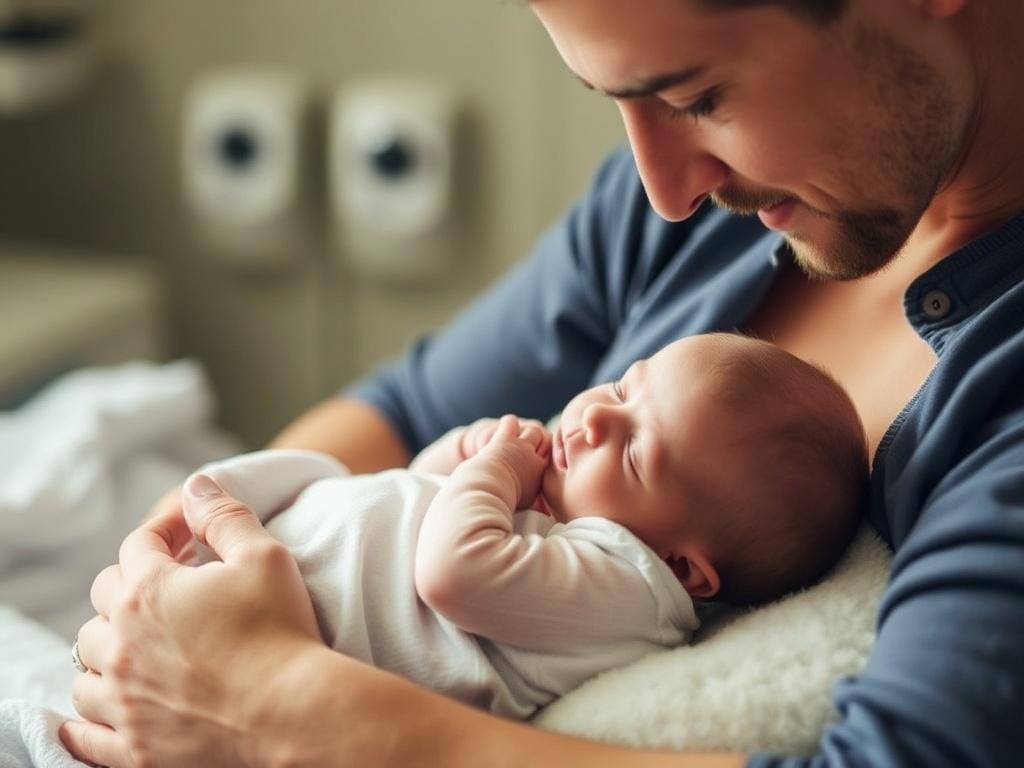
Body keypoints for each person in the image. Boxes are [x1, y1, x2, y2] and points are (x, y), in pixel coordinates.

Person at [62, 0, 1024, 766]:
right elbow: (400, 413)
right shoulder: (686, 226)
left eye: (698, 97)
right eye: (619, 101)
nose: (664, 188)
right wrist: (174, 571)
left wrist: (285, 713)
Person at [182, 334, 866, 720]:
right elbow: (424, 492)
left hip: (266, 652)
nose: (596, 416)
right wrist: (461, 454)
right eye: (625, 388)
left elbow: (452, 571)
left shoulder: (627, 589)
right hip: (247, 585)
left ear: (684, 568)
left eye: (631, 450)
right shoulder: (568, 511)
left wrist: (498, 469)